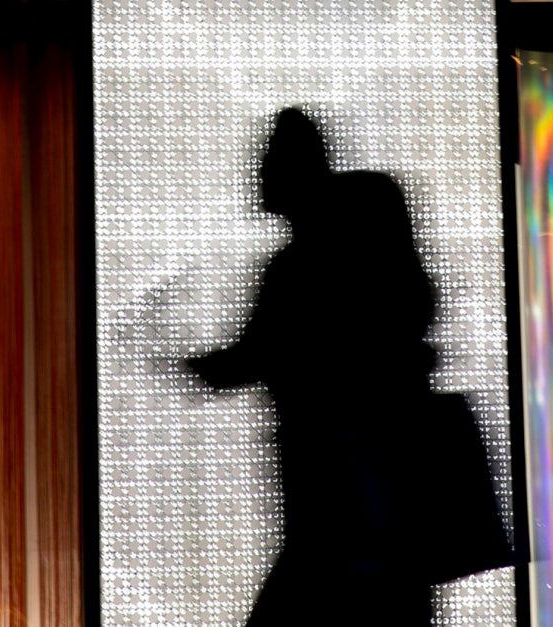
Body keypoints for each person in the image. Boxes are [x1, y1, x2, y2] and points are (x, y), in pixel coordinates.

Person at [188, 108, 509, 627]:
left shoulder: (300, 269)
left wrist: (198, 365)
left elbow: (264, 353)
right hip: (382, 493)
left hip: (339, 494)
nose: (257, 172)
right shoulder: (367, 248)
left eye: (269, 159)